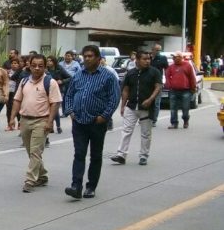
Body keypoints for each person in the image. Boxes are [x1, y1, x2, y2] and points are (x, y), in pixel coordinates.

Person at [63, 45, 121, 200]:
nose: (87, 59)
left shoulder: (108, 76)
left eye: (90, 56)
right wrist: (70, 112)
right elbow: (69, 95)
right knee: (79, 153)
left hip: (97, 122)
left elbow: (114, 98)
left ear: (98, 58)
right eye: (85, 56)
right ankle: (76, 186)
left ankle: (91, 186)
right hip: (79, 121)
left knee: (95, 155)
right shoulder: (78, 75)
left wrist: (104, 116)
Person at [8, 54, 62, 193]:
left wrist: (50, 122)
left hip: (41, 120)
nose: (37, 68)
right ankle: (42, 175)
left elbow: (55, 103)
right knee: (31, 152)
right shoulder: (24, 81)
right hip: (25, 120)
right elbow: (17, 100)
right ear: (29, 66)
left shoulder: (50, 82)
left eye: (41, 66)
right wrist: (12, 118)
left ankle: (30, 180)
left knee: (35, 152)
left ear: (45, 67)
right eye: (34, 66)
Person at [111, 51, 162, 166]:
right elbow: (125, 90)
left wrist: (150, 99)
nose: (147, 61)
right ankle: (121, 155)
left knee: (146, 133)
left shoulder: (155, 72)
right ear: (137, 60)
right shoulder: (130, 73)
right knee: (126, 131)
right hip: (131, 106)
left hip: (147, 108)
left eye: (149, 59)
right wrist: (123, 105)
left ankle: (143, 156)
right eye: (144, 59)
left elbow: (158, 87)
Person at [165, 51, 197, 129]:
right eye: (173, 57)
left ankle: (185, 120)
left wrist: (193, 88)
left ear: (180, 57)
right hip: (174, 91)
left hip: (186, 91)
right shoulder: (171, 67)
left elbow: (192, 77)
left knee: (185, 108)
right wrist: (169, 85)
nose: (174, 58)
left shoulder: (187, 65)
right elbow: (167, 76)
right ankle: (174, 123)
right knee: (173, 108)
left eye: (175, 57)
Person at [45, 56, 72, 134]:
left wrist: (62, 81)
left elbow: (70, 77)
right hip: (48, 90)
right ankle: (51, 127)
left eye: (50, 61)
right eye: (47, 61)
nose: (48, 62)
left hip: (58, 90)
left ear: (54, 62)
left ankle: (58, 126)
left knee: (55, 108)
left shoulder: (59, 68)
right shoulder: (46, 69)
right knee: (49, 109)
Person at [149, 43, 169, 126]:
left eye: (160, 50)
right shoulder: (148, 58)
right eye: (157, 50)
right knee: (147, 101)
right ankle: (146, 118)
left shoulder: (163, 58)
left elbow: (167, 70)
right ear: (152, 50)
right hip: (147, 83)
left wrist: (167, 80)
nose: (158, 52)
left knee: (156, 103)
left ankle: (154, 120)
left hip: (158, 84)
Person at [6, 57, 23, 130]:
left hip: (16, 92)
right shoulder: (7, 72)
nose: (14, 65)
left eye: (15, 63)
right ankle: (10, 124)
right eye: (12, 63)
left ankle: (20, 123)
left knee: (17, 108)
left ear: (19, 65)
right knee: (9, 108)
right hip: (8, 91)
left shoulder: (21, 72)